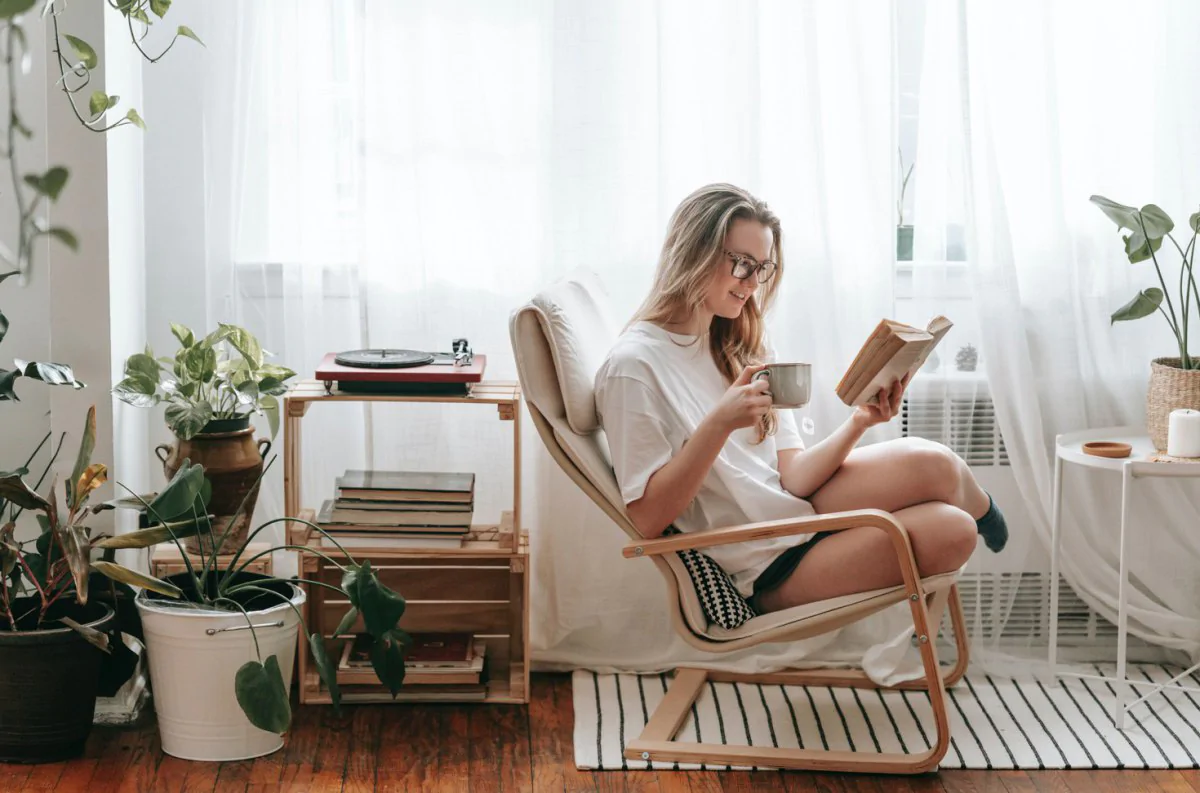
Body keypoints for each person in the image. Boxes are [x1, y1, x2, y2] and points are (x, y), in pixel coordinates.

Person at [593, 183, 1008, 615]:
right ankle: (976, 517)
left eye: (763, 268)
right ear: (693, 253)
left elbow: (791, 475)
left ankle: (987, 513)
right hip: (764, 564)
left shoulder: (735, 341)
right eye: (742, 264)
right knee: (953, 531)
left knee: (936, 464)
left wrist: (860, 422)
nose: (753, 283)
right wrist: (719, 424)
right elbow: (645, 519)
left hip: (795, 511)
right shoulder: (634, 367)